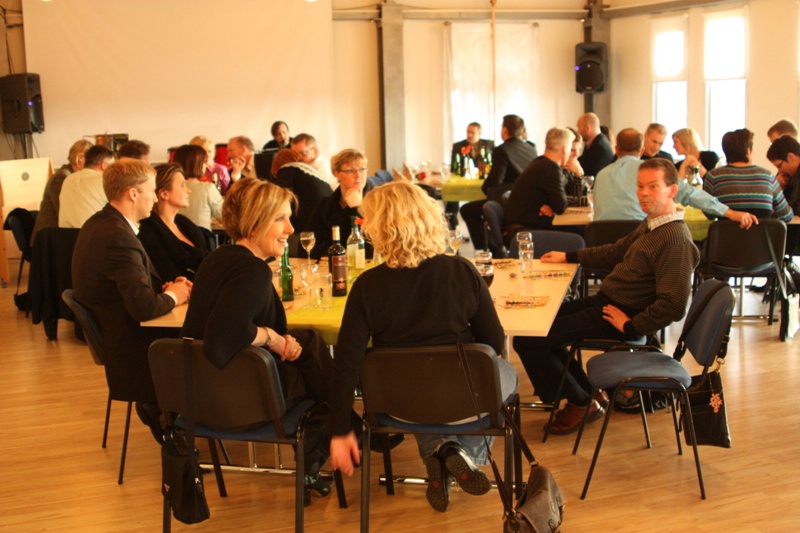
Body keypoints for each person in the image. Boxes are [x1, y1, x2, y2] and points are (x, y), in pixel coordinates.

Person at [329, 181, 518, 512]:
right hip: (465, 399)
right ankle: (458, 452)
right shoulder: (461, 270)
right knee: (500, 370)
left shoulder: (366, 286)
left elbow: (346, 363)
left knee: (420, 383)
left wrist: (340, 430)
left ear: (379, 229)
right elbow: (494, 343)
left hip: (398, 404)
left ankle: (441, 450)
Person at [513, 158, 700, 435]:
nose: (643, 193)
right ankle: (588, 394)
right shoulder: (653, 224)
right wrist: (569, 256)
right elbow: (615, 252)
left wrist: (631, 326)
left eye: (653, 186)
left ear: (672, 190)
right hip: (608, 305)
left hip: (619, 316)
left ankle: (581, 401)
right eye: (640, 186)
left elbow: (674, 304)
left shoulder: (674, 239)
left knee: (529, 339)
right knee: (538, 325)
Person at [180, 177, 335, 504]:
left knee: (309, 344)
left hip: (202, 395)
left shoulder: (217, 259)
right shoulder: (253, 270)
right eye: (280, 219)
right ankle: (344, 434)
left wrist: (280, 338)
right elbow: (223, 337)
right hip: (242, 401)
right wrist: (272, 339)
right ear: (254, 225)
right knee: (322, 385)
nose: (290, 229)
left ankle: (341, 433)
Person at [71, 158, 192, 443]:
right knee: (207, 340)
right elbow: (144, 308)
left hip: (120, 334)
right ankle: (194, 424)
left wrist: (164, 291)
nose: (155, 198)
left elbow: (128, 291)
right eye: (151, 190)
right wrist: (175, 295)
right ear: (133, 193)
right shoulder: (118, 237)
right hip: (134, 348)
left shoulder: (99, 224)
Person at [594, 128, 755, 228]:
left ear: (616, 149)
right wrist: (729, 212)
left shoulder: (601, 175)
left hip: (603, 248)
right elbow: (690, 194)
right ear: (642, 150)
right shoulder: (652, 171)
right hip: (640, 247)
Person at [459, 114, 538, 251]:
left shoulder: (502, 150)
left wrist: (485, 188)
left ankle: (491, 248)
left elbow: (494, 181)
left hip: (509, 202)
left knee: (467, 210)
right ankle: (494, 246)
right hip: (530, 203)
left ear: (505, 130)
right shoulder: (531, 148)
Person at [138, 163, 210, 282]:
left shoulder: (184, 223)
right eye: (182, 185)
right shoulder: (149, 231)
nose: (188, 190)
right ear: (164, 194)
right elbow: (168, 274)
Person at [704, 128, 794, 222]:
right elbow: (786, 216)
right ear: (748, 151)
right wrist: (768, 217)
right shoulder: (767, 176)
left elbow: (709, 212)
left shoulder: (713, 176)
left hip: (726, 231)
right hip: (762, 232)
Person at [305, 148, 373, 260]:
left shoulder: (376, 203)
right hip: (331, 266)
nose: (358, 175)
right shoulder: (326, 205)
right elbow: (306, 246)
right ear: (337, 173)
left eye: (362, 169)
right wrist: (337, 254)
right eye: (351, 171)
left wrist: (357, 208)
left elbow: (374, 246)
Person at [503, 127, 573, 231]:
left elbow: (560, 197)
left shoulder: (540, 162)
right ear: (565, 149)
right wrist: (554, 205)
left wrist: (550, 205)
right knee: (583, 231)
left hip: (524, 224)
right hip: (525, 230)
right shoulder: (550, 168)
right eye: (570, 149)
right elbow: (561, 207)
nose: (571, 154)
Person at [32, 139, 93, 243]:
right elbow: (64, 211)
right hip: (48, 238)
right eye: (91, 160)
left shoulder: (72, 176)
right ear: (81, 158)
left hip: (59, 234)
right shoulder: (62, 177)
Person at [273, 148, 333, 232]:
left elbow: (280, 200)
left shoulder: (286, 169)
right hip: (327, 224)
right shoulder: (310, 172)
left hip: (307, 227)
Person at [58, 145, 115, 228]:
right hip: (92, 233)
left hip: (64, 234)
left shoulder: (68, 179)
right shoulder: (103, 180)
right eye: (112, 166)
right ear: (104, 165)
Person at [173, 144, 224, 231]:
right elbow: (224, 216)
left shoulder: (169, 187)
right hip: (201, 236)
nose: (206, 165)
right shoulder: (207, 188)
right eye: (204, 162)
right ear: (198, 164)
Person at [767, 134, 800, 215]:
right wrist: (779, 188)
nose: (779, 170)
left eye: (779, 166)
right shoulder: (787, 175)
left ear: (791, 157)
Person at [576, 112, 614, 178]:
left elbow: (591, 176)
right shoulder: (593, 143)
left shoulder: (600, 148)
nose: (577, 131)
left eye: (579, 127)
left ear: (587, 128)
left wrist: (577, 170)